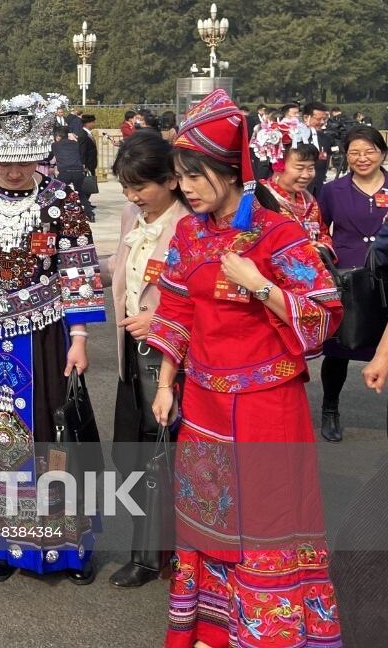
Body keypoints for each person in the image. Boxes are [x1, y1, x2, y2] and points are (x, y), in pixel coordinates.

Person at [147, 89, 342, 648]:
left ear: (228, 170)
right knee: (209, 513)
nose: (184, 188)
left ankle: (267, 629)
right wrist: (166, 383)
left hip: (266, 405)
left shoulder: (278, 235)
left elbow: (326, 310)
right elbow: (178, 307)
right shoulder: (189, 233)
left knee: (265, 518)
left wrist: (260, 285)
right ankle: (212, 624)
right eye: (179, 177)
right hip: (205, 400)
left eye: (193, 176)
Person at [0, 92, 105, 584]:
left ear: (39, 153)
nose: (13, 169)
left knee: (52, 433)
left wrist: (79, 337)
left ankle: (62, 545)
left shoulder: (60, 199)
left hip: (46, 332)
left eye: (22, 158)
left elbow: (76, 268)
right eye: (4, 159)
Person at [99, 132, 188, 589]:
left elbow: (201, 294)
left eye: (141, 186)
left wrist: (160, 319)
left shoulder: (192, 224)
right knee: (132, 454)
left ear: (172, 180)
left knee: (168, 458)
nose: (132, 196)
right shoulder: (133, 215)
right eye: (127, 186)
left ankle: (155, 557)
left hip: (175, 357)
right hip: (131, 355)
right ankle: (152, 547)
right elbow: (118, 269)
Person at [315, 124, 388, 442]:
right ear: (345, 156)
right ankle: (330, 407)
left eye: (369, 151)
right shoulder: (333, 190)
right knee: (340, 350)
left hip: (384, 278)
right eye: (355, 152)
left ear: (382, 153)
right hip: (347, 280)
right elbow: (320, 229)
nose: (362, 158)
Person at [251, 116, 334, 255]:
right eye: (300, 168)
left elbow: (323, 233)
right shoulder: (259, 198)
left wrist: (321, 248)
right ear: (278, 165)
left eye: (311, 168)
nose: (307, 174)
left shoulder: (309, 201)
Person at [303, 101, 332, 194]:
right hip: (300, 189)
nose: (322, 122)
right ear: (306, 117)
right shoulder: (295, 137)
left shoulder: (325, 138)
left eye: (324, 119)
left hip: (318, 186)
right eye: (319, 119)